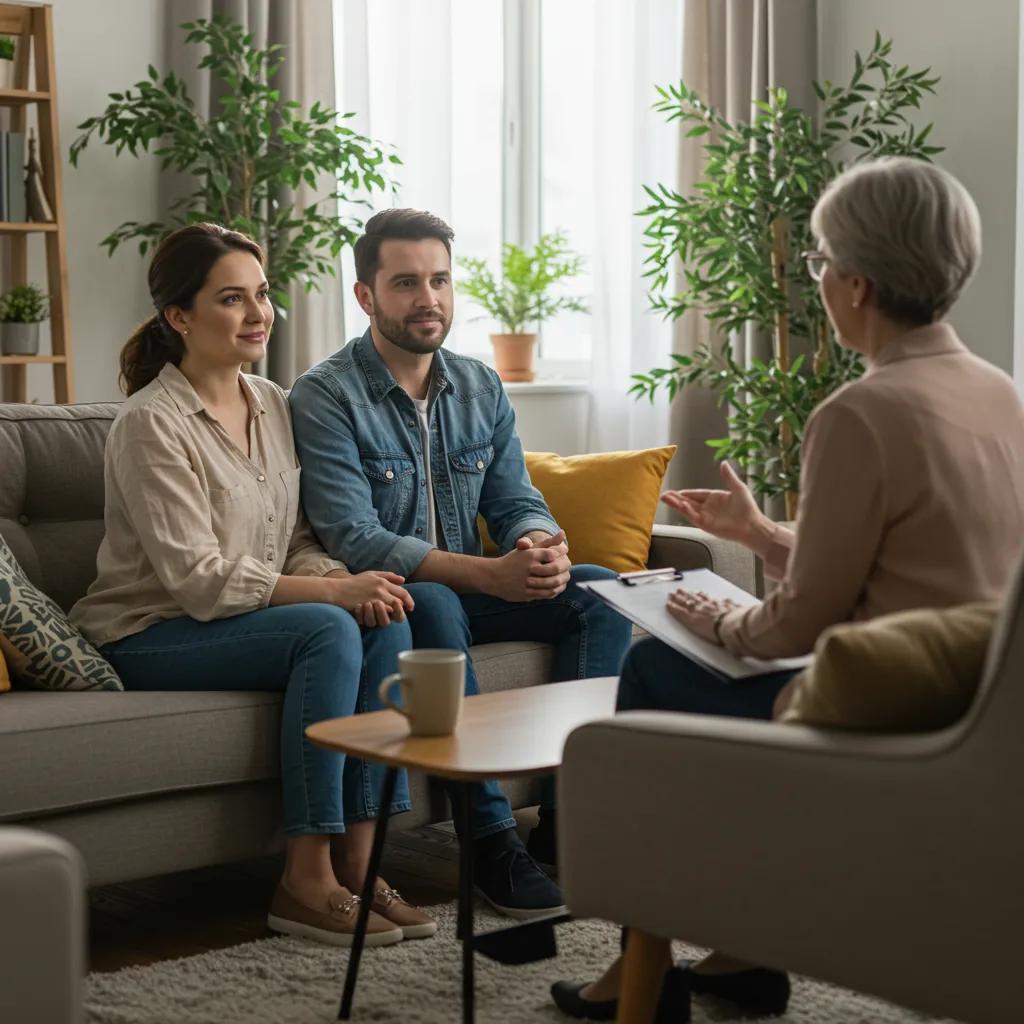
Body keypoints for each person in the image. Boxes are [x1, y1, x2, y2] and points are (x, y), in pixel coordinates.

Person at [551, 158, 1024, 1019]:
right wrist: (762, 535)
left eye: (815, 262)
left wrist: (719, 615)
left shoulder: (860, 413)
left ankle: (639, 977)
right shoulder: (1002, 395)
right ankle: (740, 956)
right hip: (971, 708)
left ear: (855, 281)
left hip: (879, 721)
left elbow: (791, 627)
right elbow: (921, 557)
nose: (817, 281)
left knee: (658, 670)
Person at [70, 223, 437, 949]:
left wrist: (349, 581)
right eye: (232, 299)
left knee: (383, 615)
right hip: (149, 632)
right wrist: (332, 598)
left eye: (262, 295)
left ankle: (359, 866)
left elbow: (296, 540)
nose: (258, 313)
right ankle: (304, 879)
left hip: (228, 619)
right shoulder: (151, 423)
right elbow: (200, 582)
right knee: (332, 624)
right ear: (179, 316)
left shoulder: (272, 401)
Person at [289, 208, 634, 919]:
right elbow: (353, 536)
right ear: (365, 295)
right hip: (398, 593)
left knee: (599, 592)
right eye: (407, 282)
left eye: (440, 280)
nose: (429, 300)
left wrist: (539, 544)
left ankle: (568, 826)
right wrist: (485, 574)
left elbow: (515, 500)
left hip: (478, 583)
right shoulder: (324, 395)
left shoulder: (478, 386)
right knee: (438, 600)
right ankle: (490, 841)